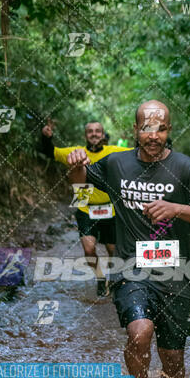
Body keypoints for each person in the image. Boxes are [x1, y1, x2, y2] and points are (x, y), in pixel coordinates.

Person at [66, 101, 190, 378]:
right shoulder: (116, 164)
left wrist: (176, 208)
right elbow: (81, 187)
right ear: (134, 130)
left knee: (172, 356)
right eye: (147, 128)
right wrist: (76, 165)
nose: (154, 135)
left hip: (175, 273)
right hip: (130, 269)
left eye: (161, 128)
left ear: (169, 130)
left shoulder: (186, 168)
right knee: (140, 333)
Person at [40, 119, 131, 296]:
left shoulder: (114, 151)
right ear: (85, 135)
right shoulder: (75, 152)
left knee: (113, 249)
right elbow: (49, 152)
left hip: (110, 209)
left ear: (103, 134)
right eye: (90, 131)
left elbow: (138, 153)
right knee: (89, 249)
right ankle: (99, 278)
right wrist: (46, 138)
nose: (94, 134)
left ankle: (113, 276)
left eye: (98, 131)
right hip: (85, 208)